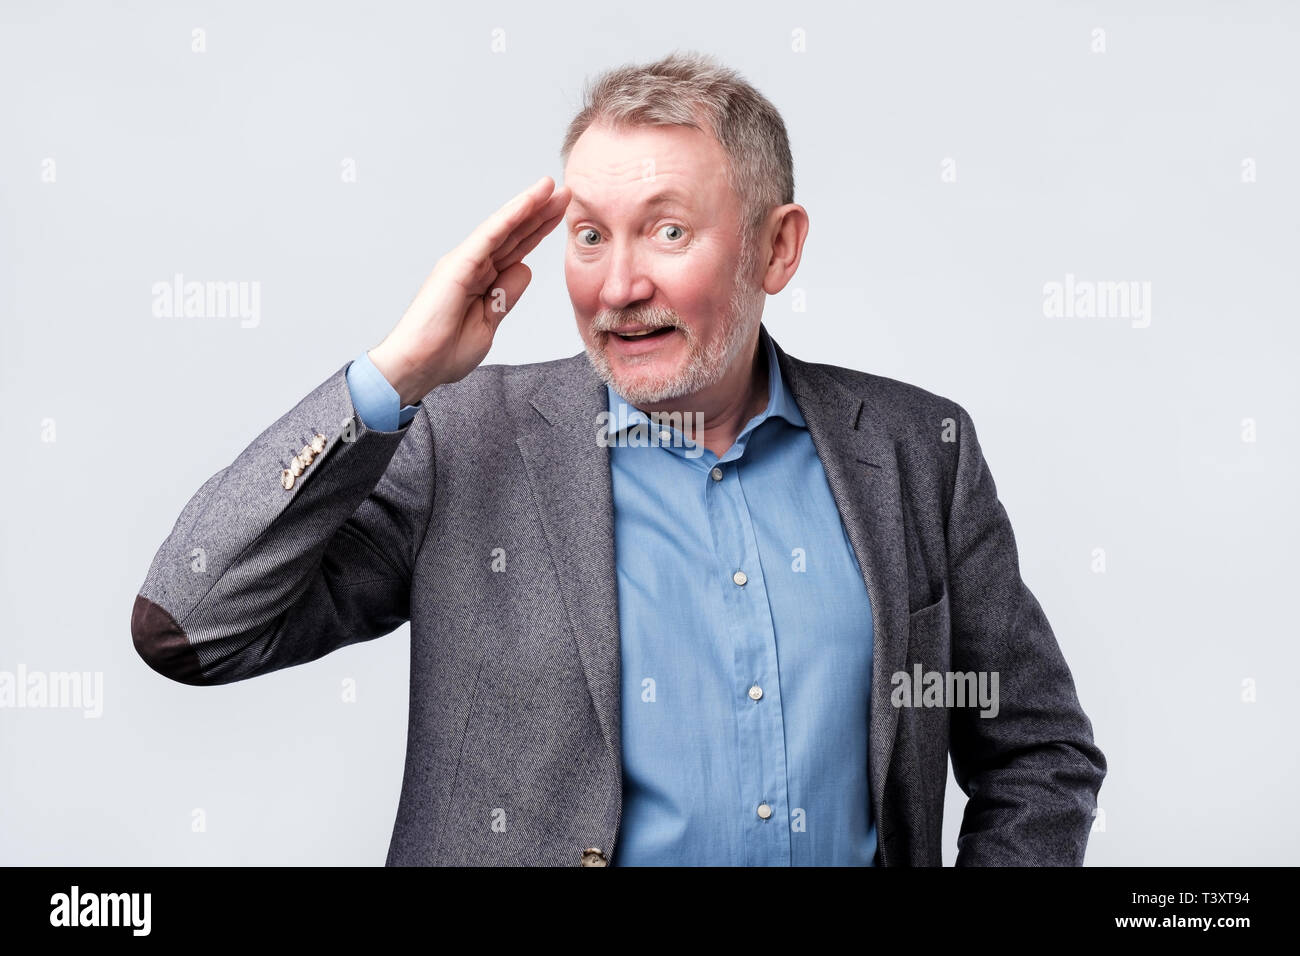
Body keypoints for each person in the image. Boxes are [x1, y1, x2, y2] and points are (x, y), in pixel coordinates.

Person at [131, 50, 1106, 866]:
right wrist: (397, 372)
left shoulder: (913, 452)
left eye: (666, 230)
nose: (618, 284)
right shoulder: (461, 439)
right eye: (589, 236)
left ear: (777, 248)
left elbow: (1036, 748)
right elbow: (192, 626)